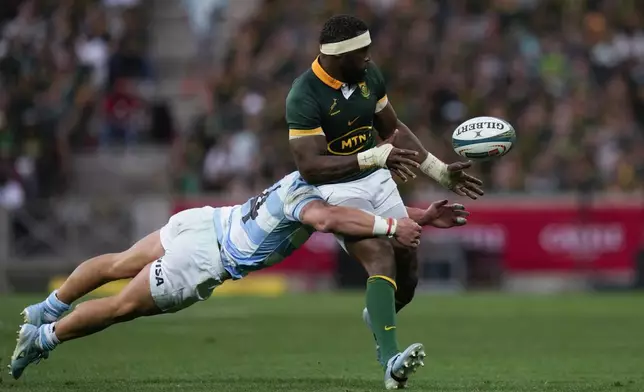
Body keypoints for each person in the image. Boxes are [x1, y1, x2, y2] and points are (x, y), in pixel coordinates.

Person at [9, 171, 470, 381]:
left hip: (206, 219)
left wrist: (421, 215)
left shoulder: (311, 173)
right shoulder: (311, 199)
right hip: (205, 258)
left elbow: (356, 211)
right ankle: (44, 336)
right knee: (119, 307)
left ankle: (47, 307)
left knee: (114, 263)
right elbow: (332, 221)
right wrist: (394, 227)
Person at [286, 14, 484, 389]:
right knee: (380, 253)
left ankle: (378, 314)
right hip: (337, 189)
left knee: (407, 272)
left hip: (377, 179)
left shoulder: (368, 77)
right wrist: (372, 157)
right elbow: (310, 167)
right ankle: (392, 362)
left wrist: (440, 172)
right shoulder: (304, 93)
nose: (369, 58)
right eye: (362, 52)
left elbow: (392, 130)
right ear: (337, 56)